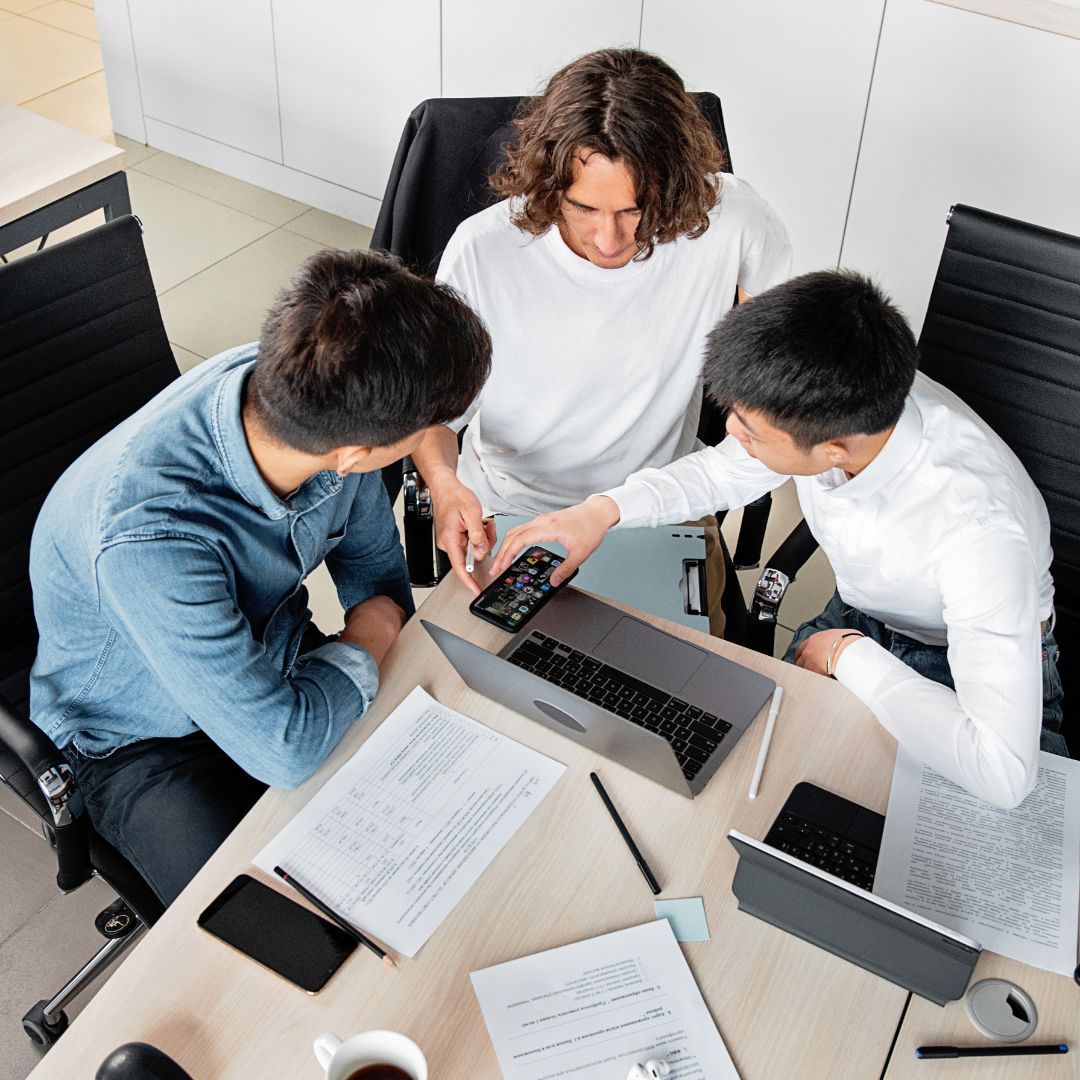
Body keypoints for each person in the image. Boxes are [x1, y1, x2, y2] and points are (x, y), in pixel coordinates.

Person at [492, 270, 1065, 809]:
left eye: (750, 431)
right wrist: (601, 512)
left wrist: (847, 654)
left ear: (835, 449)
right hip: (863, 611)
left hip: (953, 657)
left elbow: (1004, 772)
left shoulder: (978, 533)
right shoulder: (841, 396)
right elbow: (722, 472)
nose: (731, 435)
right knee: (744, 780)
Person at [29, 249, 492, 904]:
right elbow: (285, 747)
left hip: (281, 662)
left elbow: (375, 577)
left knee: (447, 835)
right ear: (357, 453)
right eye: (423, 432)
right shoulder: (150, 539)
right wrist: (371, 631)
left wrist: (372, 624)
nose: (431, 439)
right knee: (287, 928)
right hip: (140, 742)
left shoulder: (318, 400)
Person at [412, 47, 792, 623]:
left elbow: (782, 390)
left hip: (658, 505)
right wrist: (443, 484)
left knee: (670, 695)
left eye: (636, 210)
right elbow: (431, 413)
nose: (610, 240)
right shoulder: (483, 248)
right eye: (583, 207)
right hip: (510, 511)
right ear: (546, 183)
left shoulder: (736, 220)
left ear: (678, 184)